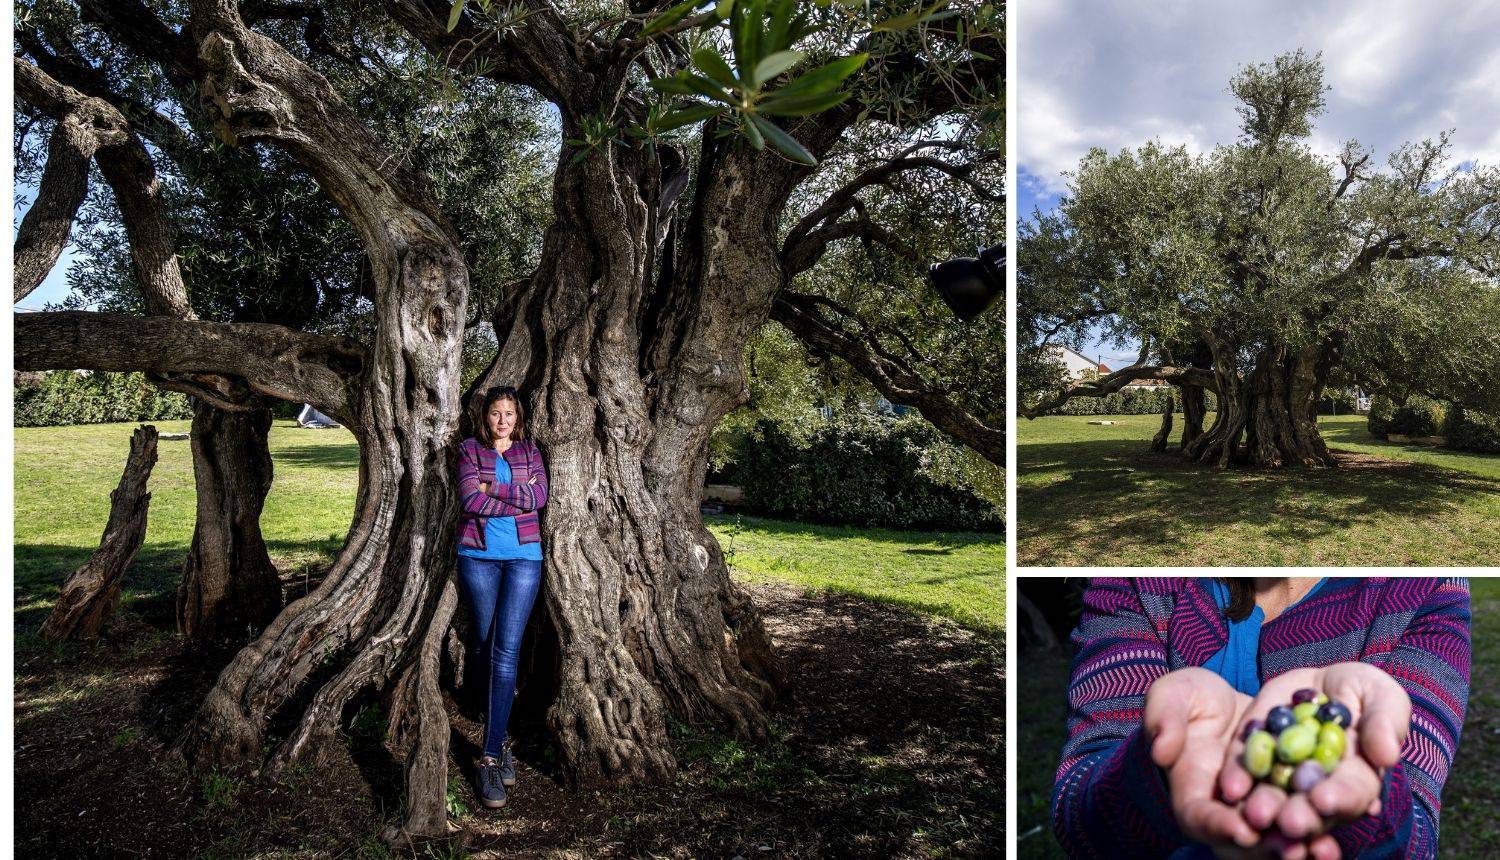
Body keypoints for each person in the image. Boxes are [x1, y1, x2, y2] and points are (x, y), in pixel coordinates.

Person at [1051, 578, 1470, 860]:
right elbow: (1075, 811)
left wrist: (1362, 801)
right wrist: (1155, 768)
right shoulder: (1139, 579)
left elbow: (1416, 842)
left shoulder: (1427, 587)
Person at [455, 385, 549, 809]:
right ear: (485, 416)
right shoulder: (468, 450)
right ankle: (494, 727)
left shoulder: (530, 453)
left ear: (519, 417)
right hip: (477, 558)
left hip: (524, 560)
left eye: (509, 413)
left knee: (506, 651)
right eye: (496, 413)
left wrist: (494, 490)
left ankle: (490, 755)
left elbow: (539, 498)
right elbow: (468, 498)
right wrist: (509, 496)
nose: (503, 420)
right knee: (484, 642)